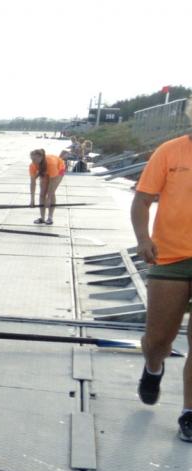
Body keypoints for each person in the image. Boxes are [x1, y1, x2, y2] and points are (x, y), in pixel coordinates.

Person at [131, 103, 192, 442]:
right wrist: (144, 239)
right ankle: (153, 367)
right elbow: (142, 200)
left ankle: (189, 412)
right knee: (158, 340)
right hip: (170, 256)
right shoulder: (170, 151)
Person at [28, 148, 66, 225]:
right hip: (45, 170)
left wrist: (48, 199)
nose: (33, 161)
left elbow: (52, 183)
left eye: (35, 159)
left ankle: (50, 217)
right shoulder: (32, 165)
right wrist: (32, 200)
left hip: (59, 169)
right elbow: (32, 183)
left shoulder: (51, 163)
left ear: (41, 157)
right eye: (32, 159)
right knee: (42, 194)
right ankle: (42, 218)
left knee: (51, 193)